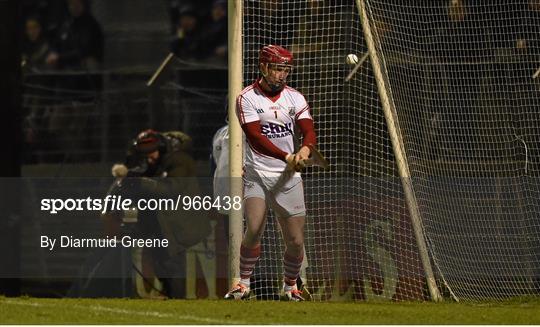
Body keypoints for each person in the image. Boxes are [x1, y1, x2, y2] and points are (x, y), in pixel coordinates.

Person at [224, 45, 317, 301]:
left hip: (288, 179)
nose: (282, 75)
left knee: (296, 241)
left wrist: (307, 149)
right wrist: (287, 156)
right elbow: (255, 137)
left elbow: (308, 129)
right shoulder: (246, 97)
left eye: (286, 69)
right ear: (263, 67)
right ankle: (242, 284)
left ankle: (290, 287)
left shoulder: (295, 97)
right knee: (253, 227)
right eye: (277, 69)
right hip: (257, 174)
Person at [104, 129, 211, 298]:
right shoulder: (151, 163)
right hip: (160, 224)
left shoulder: (180, 160)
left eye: (151, 153)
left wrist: (140, 182)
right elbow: (129, 182)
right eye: (144, 154)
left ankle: (177, 301)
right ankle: (172, 297)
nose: (149, 158)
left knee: (172, 265)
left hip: (177, 224)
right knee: (161, 264)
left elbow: (171, 189)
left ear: (161, 147)